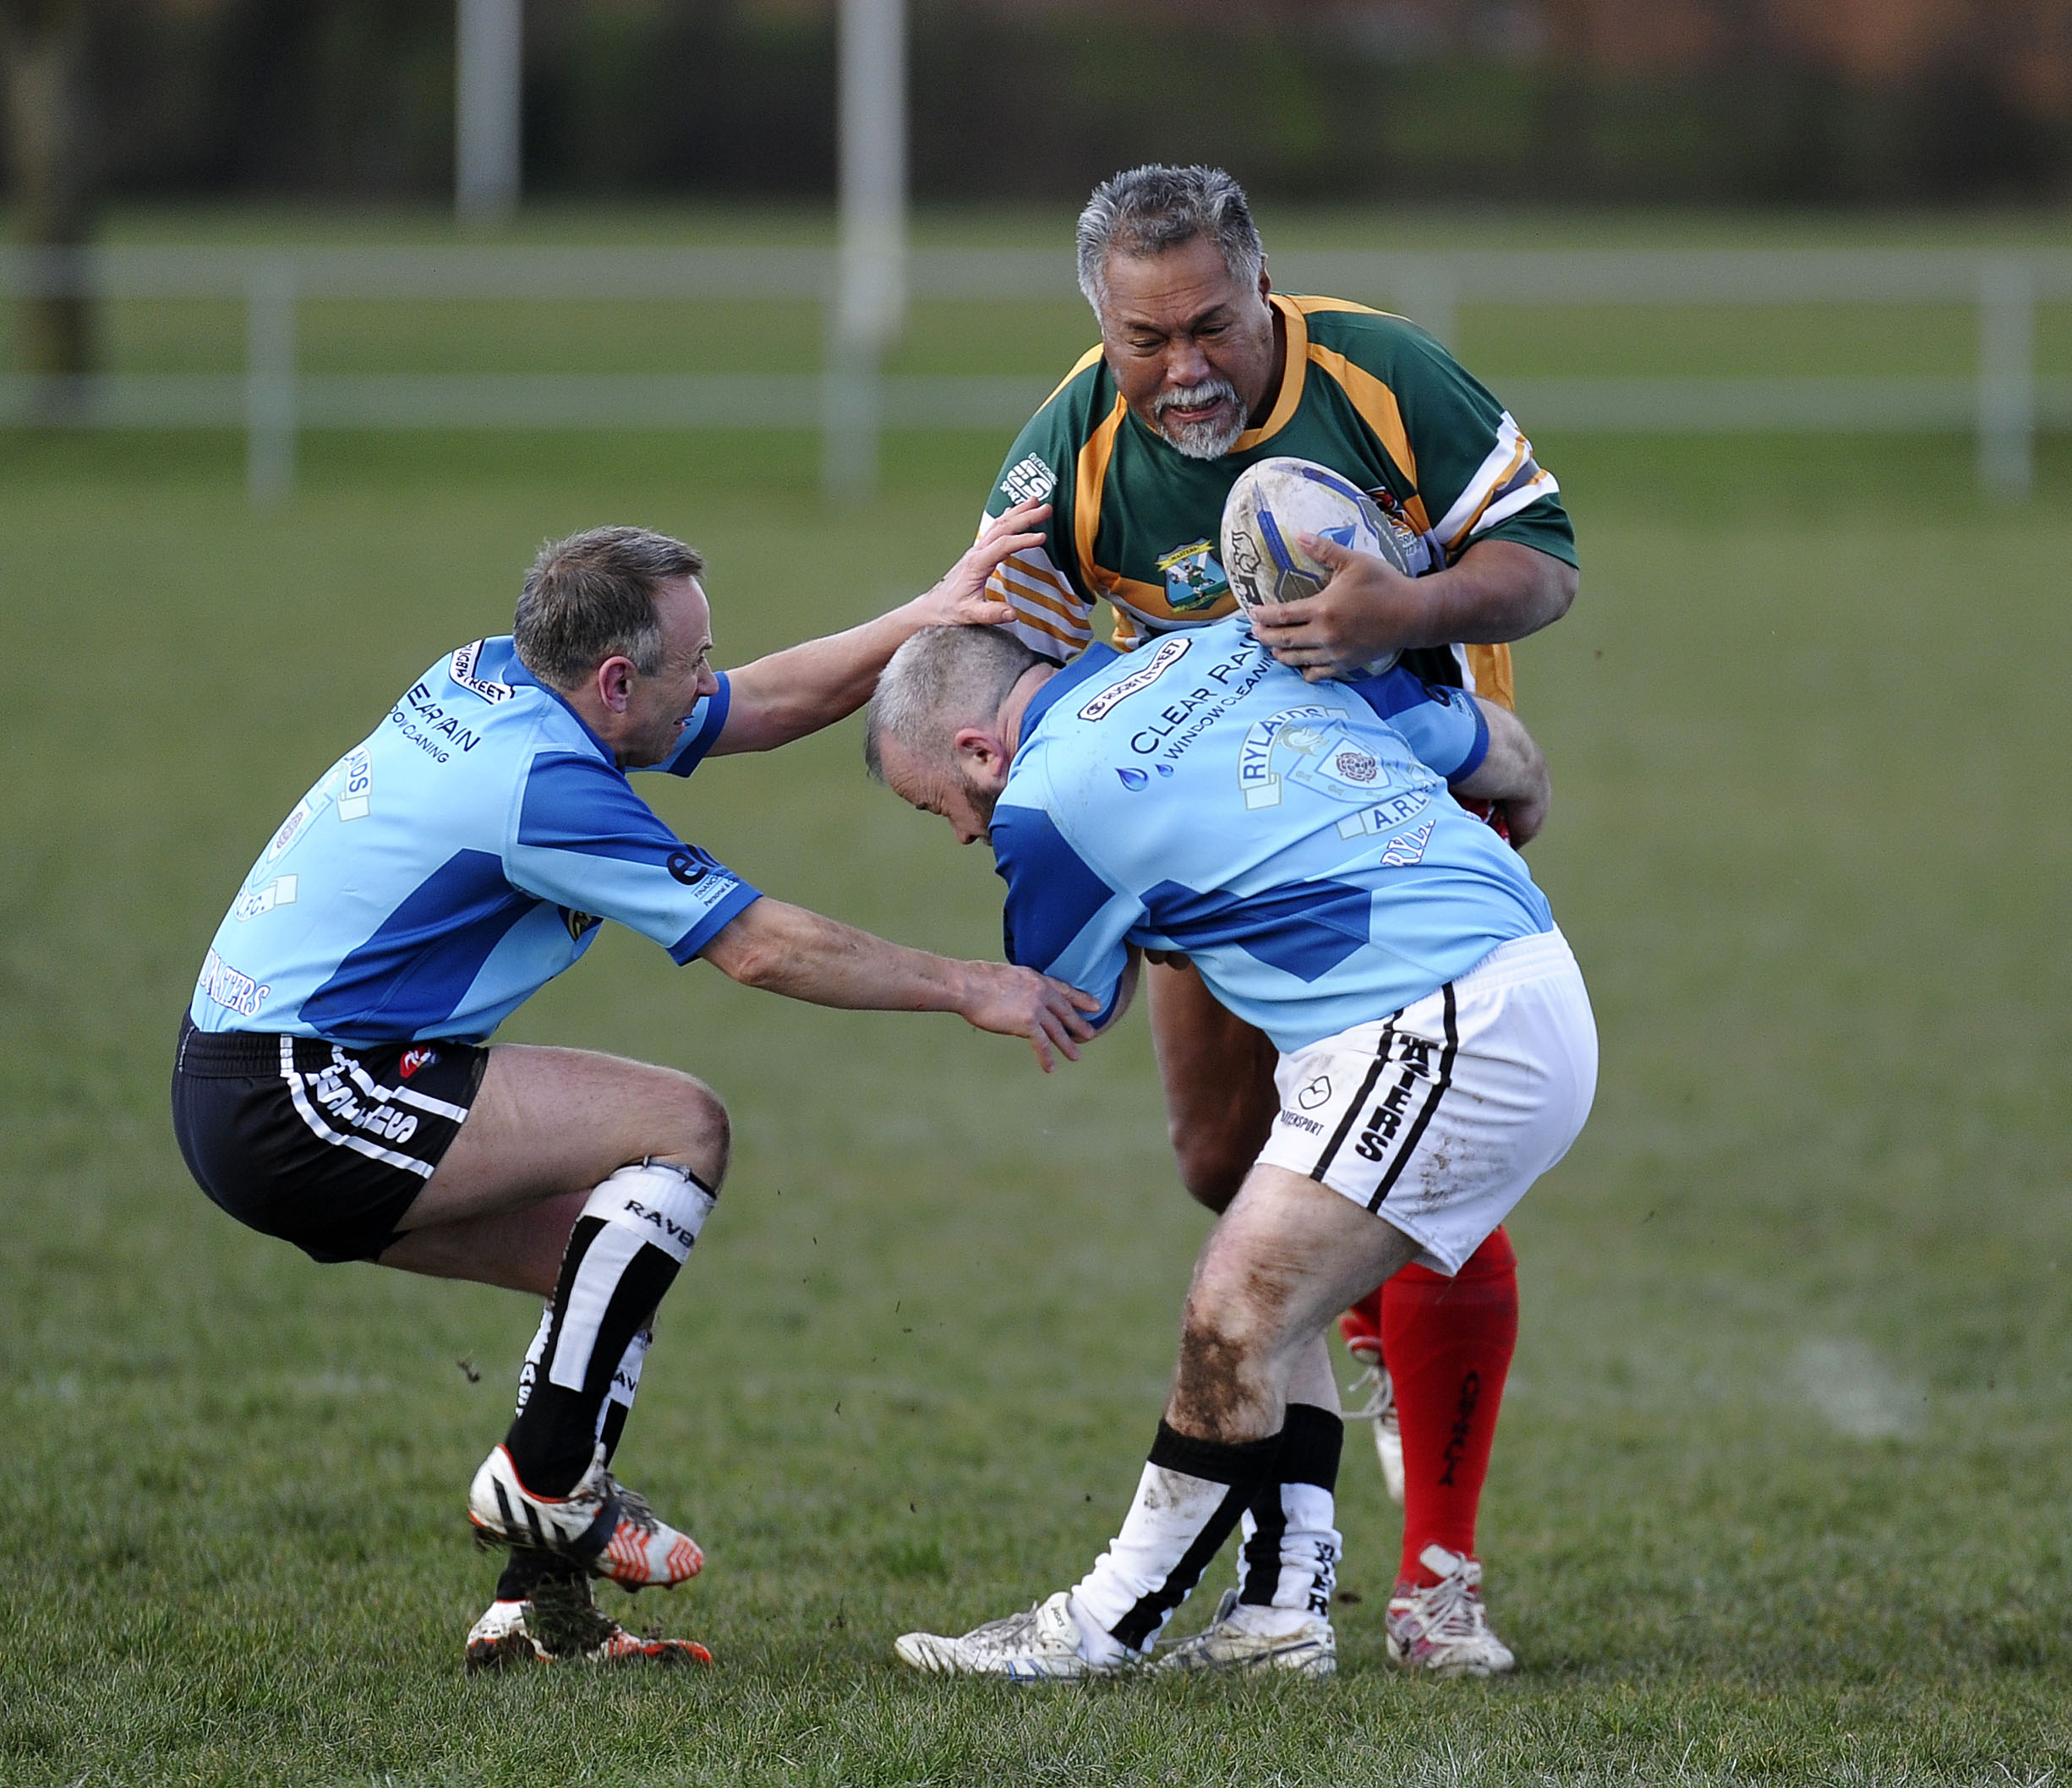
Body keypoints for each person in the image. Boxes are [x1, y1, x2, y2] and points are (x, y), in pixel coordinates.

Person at [171, 507, 1096, 1671]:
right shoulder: (542, 785)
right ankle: (546, 1476)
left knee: (609, 1263)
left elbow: (761, 703)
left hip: (251, 1078)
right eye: (693, 662)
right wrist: (971, 984)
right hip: (302, 1090)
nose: (709, 681)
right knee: (679, 1124)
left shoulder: (503, 677)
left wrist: (924, 615)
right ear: (615, 680)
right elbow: (758, 945)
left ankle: (538, 1611)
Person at [972, 162, 1579, 1670]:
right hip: (1214, 837)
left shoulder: (1383, 375)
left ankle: (1436, 1574)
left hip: (1406, 806)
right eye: (1144, 339)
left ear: (1263, 288)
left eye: (1211, 327)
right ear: (1102, 327)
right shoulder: (1069, 447)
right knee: (1221, 1157)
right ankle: (1317, 1460)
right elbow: (997, 656)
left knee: (1414, 1173)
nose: (1182, 368)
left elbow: (1544, 566)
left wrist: (1406, 610)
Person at [864, 615, 1594, 1677]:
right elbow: (1481, 742)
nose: (963, 836)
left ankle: (1097, 1631)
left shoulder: (1041, 807)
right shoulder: (1230, 645)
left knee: (1234, 1315)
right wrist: (1522, 793)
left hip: (1443, 1023)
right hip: (1515, 967)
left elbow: (1074, 1001)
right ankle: (1278, 1616)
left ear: (979, 753)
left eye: (938, 806)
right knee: (1270, 1302)